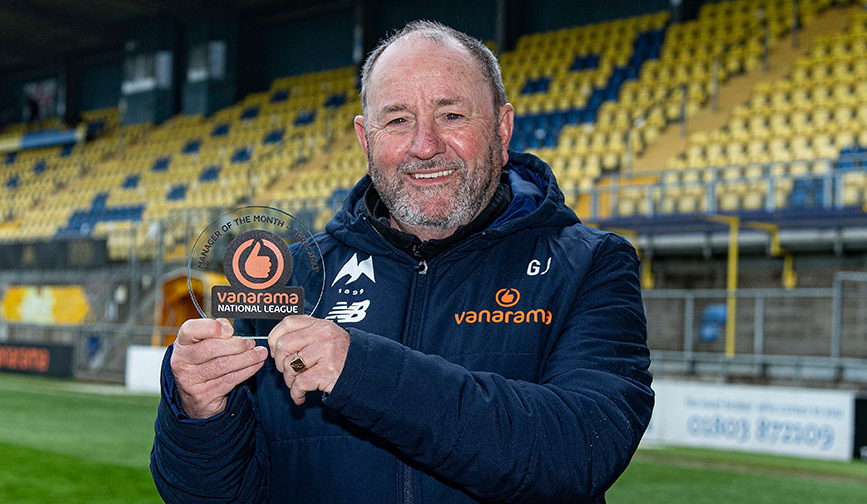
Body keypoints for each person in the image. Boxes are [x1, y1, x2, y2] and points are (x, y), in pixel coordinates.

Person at [151, 20, 653, 503]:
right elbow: (212, 496)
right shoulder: (288, 280)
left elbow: (580, 453)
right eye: (397, 120)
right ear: (365, 139)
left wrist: (361, 371)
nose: (425, 146)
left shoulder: (590, 264)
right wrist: (197, 413)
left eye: (451, 115)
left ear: (502, 130)